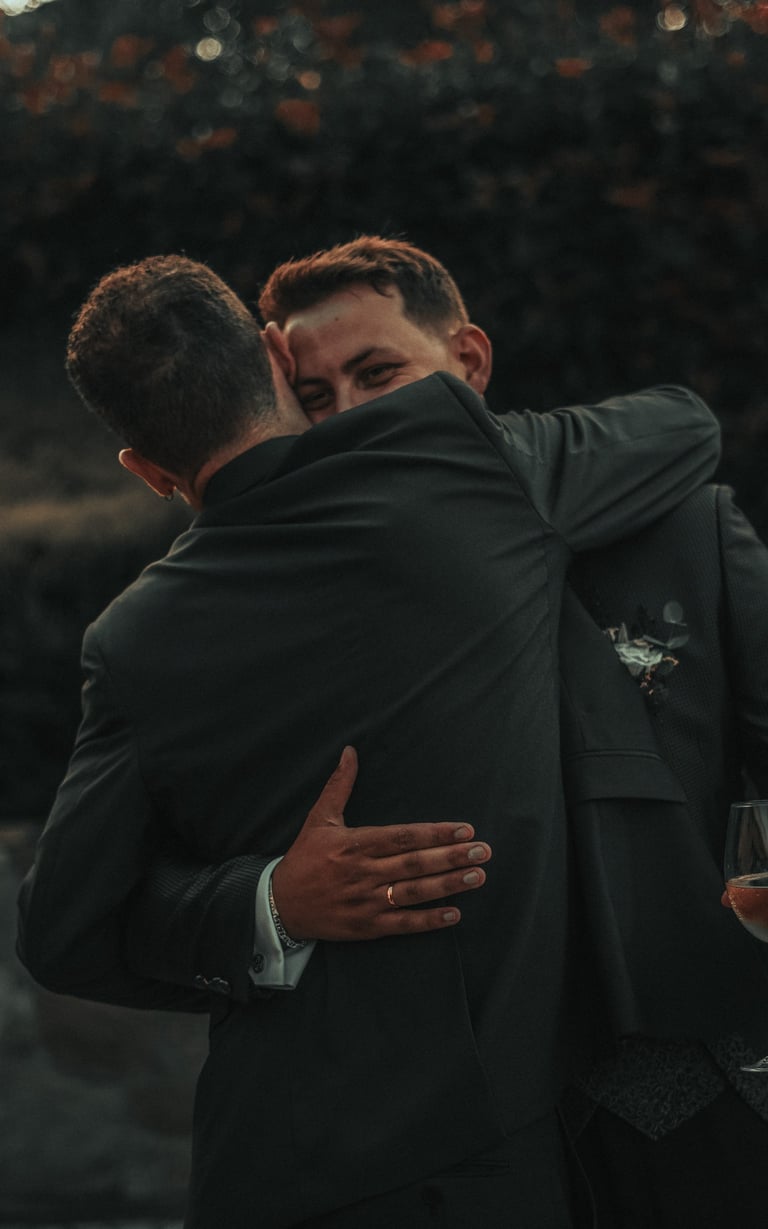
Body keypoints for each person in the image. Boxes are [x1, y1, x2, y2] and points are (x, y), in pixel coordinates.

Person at [16, 251, 719, 1229]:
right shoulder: (462, 461)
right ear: (276, 352)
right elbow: (681, 425)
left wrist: (267, 900)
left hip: (261, 1169)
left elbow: (62, 928)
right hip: (474, 1173)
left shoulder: (133, 637)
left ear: (142, 467)